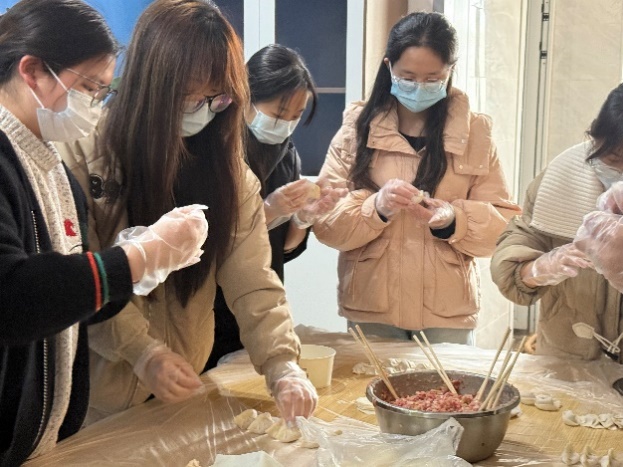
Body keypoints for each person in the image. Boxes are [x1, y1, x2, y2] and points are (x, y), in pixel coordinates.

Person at [58, 0, 317, 424]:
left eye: (216, 98)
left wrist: (282, 364)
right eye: (187, 96)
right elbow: (81, 276)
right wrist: (143, 352)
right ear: (149, 82)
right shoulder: (85, 154)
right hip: (97, 391)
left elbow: (252, 278)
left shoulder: (229, 171)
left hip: (184, 381)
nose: (201, 109)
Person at [0, 0, 208, 464]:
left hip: (40, 439)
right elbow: (12, 300)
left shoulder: (52, 169)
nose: (94, 105)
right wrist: (134, 260)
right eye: (88, 87)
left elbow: (72, 298)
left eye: (102, 91)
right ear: (32, 70)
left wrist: (142, 260)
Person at [312, 12, 520, 344]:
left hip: (446, 311)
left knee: (446, 381)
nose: (419, 87)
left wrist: (454, 220)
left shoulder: (475, 133)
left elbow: (504, 229)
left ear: (450, 71)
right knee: (368, 379)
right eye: (408, 77)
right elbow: (324, 222)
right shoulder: (356, 129)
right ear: (389, 66)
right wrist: (375, 208)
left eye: (432, 78)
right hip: (372, 305)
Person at [206, 44, 347, 369]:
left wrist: (303, 218)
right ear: (246, 98)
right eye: (279, 115)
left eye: (296, 117)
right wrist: (267, 210)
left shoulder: (286, 154)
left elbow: (282, 250)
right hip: (212, 307)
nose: (285, 125)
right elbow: (209, 242)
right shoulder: (218, 150)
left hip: (261, 304)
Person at [492, 83, 623, 361]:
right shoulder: (562, 175)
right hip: (567, 350)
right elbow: (519, 241)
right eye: (614, 159)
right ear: (595, 138)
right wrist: (537, 269)